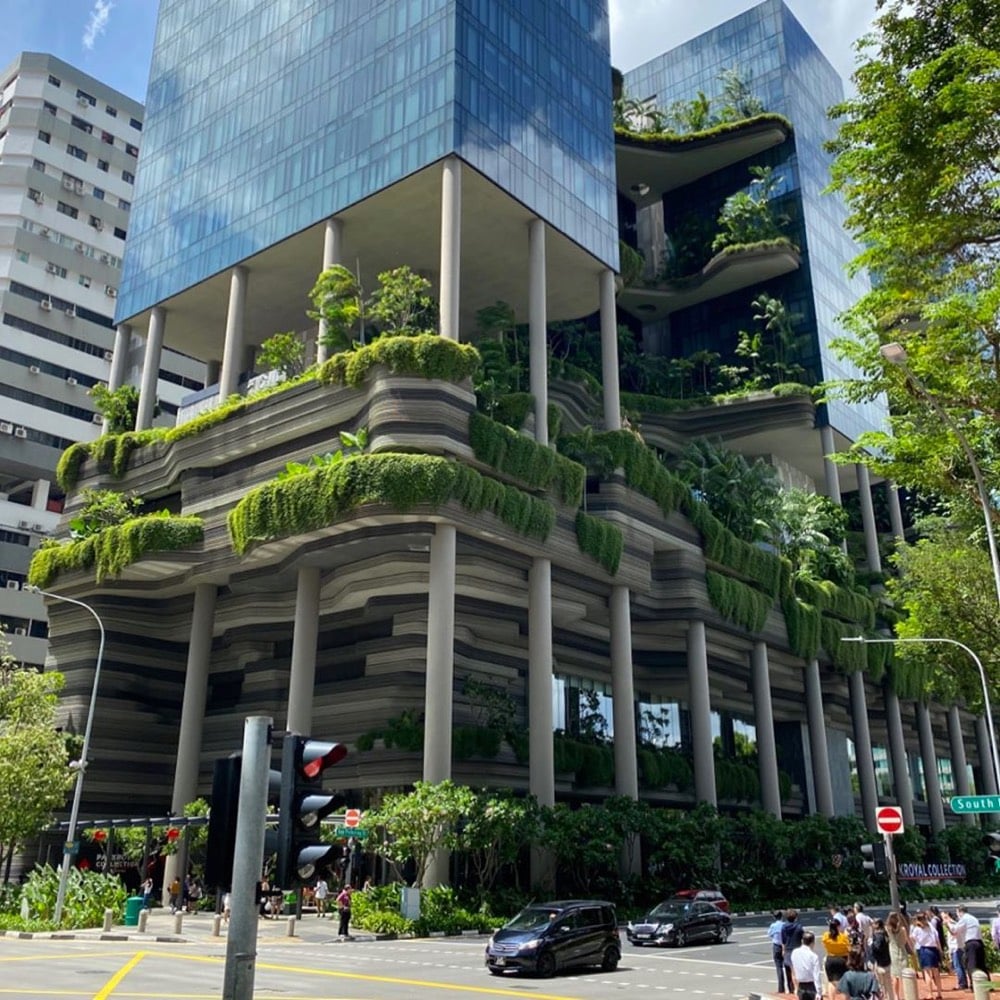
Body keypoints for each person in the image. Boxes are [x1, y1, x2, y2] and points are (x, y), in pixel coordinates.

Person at [910, 911, 943, 1000]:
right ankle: (939, 993)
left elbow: (912, 937)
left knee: (927, 973)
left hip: (924, 950)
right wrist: (940, 950)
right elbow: (937, 938)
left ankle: (930, 994)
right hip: (933, 950)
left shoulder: (917, 929)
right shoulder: (930, 926)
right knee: (936, 973)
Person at [954, 904, 987, 980]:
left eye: (957, 913)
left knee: (971, 965)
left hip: (971, 943)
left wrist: (947, 922)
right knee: (981, 965)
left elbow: (955, 930)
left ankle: (974, 984)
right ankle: (986, 984)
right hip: (979, 942)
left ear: (960, 912)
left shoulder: (964, 919)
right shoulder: (974, 918)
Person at [823, 919, 851, 1000]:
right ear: (838, 927)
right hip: (842, 959)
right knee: (845, 982)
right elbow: (848, 948)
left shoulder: (826, 936)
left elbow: (824, 943)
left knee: (831, 982)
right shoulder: (843, 937)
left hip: (830, 959)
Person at [791, 931, 823, 1000]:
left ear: (802, 941)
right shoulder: (813, 956)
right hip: (812, 986)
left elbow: (793, 971)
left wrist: (796, 987)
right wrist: (819, 991)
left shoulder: (794, 952)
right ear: (813, 943)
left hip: (801, 986)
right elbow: (816, 975)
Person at [886, 911, 910, 1000]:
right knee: (904, 975)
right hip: (902, 952)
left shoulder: (888, 929)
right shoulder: (903, 929)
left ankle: (897, 996)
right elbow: (906, 941)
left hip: (893, 952)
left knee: (895, 976)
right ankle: (906, 994)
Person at [870, 918, 894, 1000]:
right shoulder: (885, 933)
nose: (872, 925)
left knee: (881, 985)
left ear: (877, 925)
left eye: (874, 923)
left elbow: (876, 948)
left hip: (880, 963)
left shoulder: (878, 935)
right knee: (889, 985)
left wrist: (871, 944)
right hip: (887, 961)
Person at [783, 909, 806, 993]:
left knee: (792, 971)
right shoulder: (799, 927)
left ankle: (795, 988)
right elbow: (803, 938)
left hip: (788, 949)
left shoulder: (784, 927)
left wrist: (783, 950)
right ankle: (800, 987)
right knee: (798, 970)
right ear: (796, 918)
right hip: (797, 949)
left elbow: (783, 940)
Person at [944, 912, 968, 991]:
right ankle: (963, 982)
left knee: (958, 966)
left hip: (956, 948)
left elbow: (953, 932)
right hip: (956, 947)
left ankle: (962, 983)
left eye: (945, 917)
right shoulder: (955, 924)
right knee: (959, 966)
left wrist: (947, 924)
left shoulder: (953, 924)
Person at [769, 910, 791, 993]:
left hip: (776, 946)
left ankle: (781, 988)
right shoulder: (785, 925)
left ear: (774, 917)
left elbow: (770, 934)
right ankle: (791, 987)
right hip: (786, 946)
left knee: (779, 967)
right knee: (788, 967)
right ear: (782, 916)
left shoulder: (773, 925)